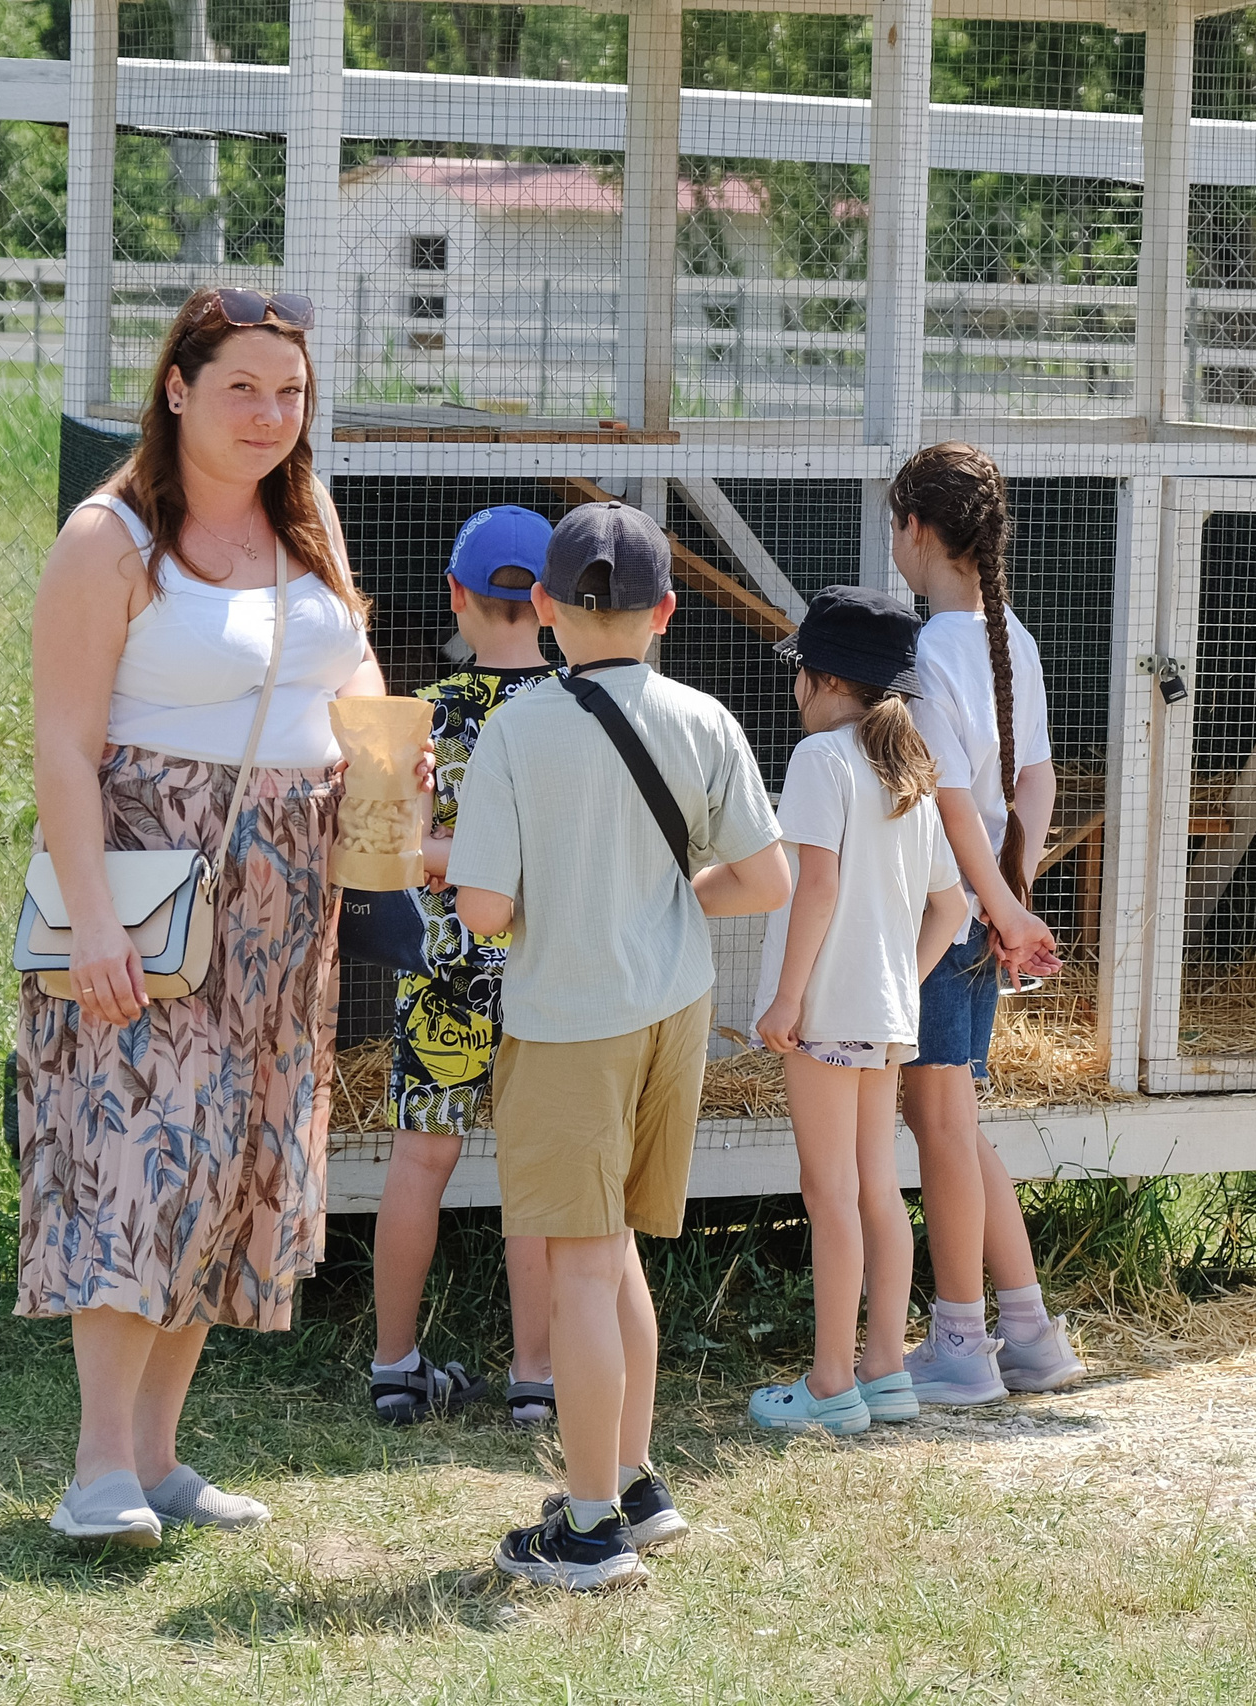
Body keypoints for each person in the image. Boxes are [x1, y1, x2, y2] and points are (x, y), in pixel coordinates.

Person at [18, 287, 393, 1547]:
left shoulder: (309, 522)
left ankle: (163, 1458)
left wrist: (390, 757)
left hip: (291, 898)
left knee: (228, 1169)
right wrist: (94, 922)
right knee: (138, 1156)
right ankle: (96, 1469)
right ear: (177, 386)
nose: (270, 415)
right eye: (242, 386)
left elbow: (353, 668)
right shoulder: (109, 538)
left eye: (289, 393)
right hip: (150, 880)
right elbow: (64, 750)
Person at [449, 501, 790, 1591]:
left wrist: (447, 865)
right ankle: (634, 1480)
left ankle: (589, 1527)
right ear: (667, 613)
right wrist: (677, 891)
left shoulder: (515, 730)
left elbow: (488, 910)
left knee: (581, 1264)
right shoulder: (704, 716)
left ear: (544, 608)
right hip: (673, 1008)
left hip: (567, 1020)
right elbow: (766, 879)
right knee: (621, 1249)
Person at [887, 442, 1088, 1406]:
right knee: (955, 1123)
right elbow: (1036, 780)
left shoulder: (931, 649)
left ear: (917, 533)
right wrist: (1011, 887)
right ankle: (1030, 1334)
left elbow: (953, 794)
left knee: (941, 1128)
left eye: (897, 527)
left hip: (949, 913)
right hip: (984, 905)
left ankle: (962, 1342)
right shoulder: (1011, 633)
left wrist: (997, 901)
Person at [746, 587, 969, 1436]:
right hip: (884, 1015)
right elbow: (949, 908)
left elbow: (819, 885)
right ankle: (885, 1371)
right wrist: (901, 980)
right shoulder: (905, 767)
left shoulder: (819, 762)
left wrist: (789, 996)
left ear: (820, 677)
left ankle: (831, 1383)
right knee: (878, 1188)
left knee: (829, 1190)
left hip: (828, 1011)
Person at [368, 506, 558, 1428]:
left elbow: (388, 847)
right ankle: (536, 1380)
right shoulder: (582, 706)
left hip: (442, 968)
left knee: (418, 1159)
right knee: (537, 1175)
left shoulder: (427, 716)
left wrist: (445, 853)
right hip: (553, 970)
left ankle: (394, 1366)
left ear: (456, 596)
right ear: (554, 601)